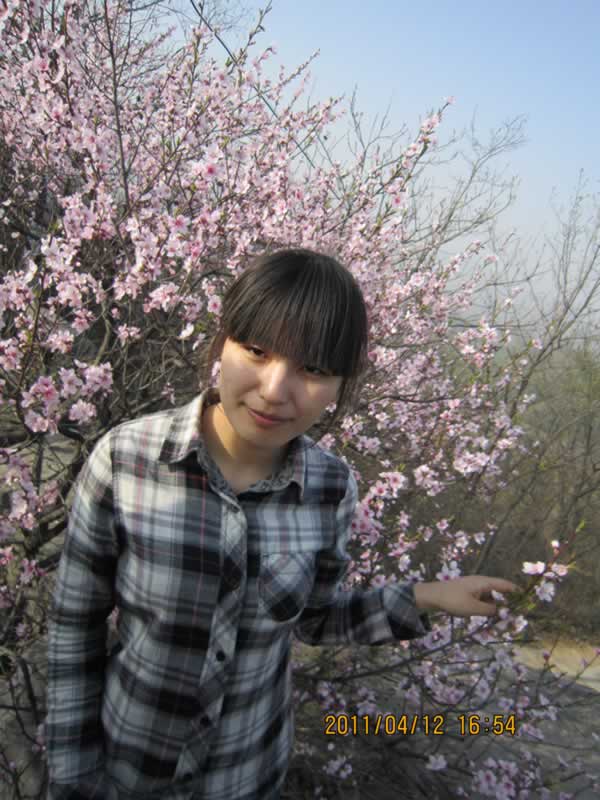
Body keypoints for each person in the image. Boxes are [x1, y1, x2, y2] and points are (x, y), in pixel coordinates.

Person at [46, 248, 518, 800]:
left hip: (245, 774)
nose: (275, 390)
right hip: (126, 769)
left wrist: (427, 597)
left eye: (313, 369)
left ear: (341, 383)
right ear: (223, 341)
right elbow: (75, 625)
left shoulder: (330, 489)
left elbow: (314, 619)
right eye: (257, 350)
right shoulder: (126, 459)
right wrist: (73, 775)